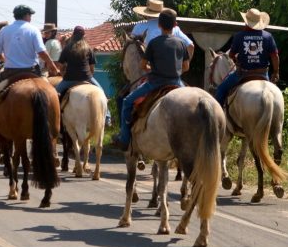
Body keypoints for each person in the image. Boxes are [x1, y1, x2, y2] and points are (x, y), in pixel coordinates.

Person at [0, 4, 59, 136]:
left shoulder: (4, 31)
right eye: (30, 15)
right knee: (54, 94)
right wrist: (52, 66)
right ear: (26, 16)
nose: (31, 18)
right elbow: (41, 51)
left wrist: (8, 60)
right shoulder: (34, 30)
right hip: (33, 72)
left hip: (10, 72)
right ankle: (57, 127)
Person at [118, 9, 190, 151]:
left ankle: (125, 140)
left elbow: (143, 65)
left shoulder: (153, 43)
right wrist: (173, 71)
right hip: (177, 83)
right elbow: (186, 67)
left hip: (155, 83)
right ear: (175, 25)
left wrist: (152, 69)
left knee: (127, 102)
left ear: (159, 25)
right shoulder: (181, 43)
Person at [215, 8, 279, 107]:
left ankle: (218, 120)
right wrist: (275, 72)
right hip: (263, 74)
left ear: (246, 22)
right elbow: (275, 56)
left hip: (242, 74)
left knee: (220, 90)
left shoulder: (239, 36)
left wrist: (236, 59)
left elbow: (231, 55)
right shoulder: (268, 36)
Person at [55, 25, 112, 125]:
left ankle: (54, 117)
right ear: (83, 36)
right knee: (102, 93)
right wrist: (90, 76)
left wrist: (63, 72)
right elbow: (92, 67)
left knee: (54, 95)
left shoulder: (67, 48)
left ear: (73, 34)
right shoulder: (88, 48)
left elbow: (60, 65)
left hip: (69, 79)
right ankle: (107, 117)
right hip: (87, 77)